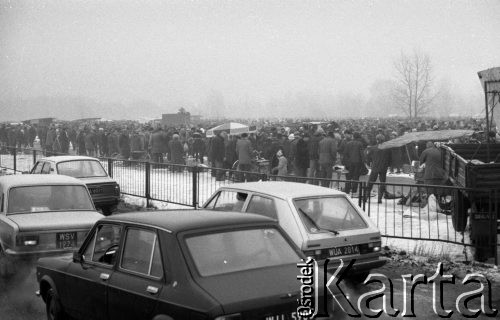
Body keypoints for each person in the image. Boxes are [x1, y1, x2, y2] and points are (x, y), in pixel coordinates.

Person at [365, 134, 391, 203]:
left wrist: (368, 163)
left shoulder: (373, 148)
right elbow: (390, 158)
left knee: (370, 182)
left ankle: (366, 197)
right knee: (382, 182)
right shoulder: (387, 148)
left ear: (377, 140)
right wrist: (388, 165)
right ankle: (379, 199)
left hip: (375, 167)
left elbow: (368, 157)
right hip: (383, 167)